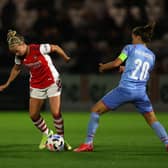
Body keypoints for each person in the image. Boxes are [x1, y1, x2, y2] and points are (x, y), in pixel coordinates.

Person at [74, 22, 168, 152]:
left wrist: (103, 67)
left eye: (133, 37)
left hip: (125, 90)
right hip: (141, 92)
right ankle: (167, 142)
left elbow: (116, 63)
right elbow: (142, 71)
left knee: (96, 110)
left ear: (138, 37)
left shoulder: (129, 48)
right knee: (152, 119)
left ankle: (88, 143)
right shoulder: (152, 55)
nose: (132, 39)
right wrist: (126, 68)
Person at [0, 30, 72, 151]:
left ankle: (61, 139)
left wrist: (65, 57)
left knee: (55, 113)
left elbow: (55, 47)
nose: (17, 53)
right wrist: (7, 83)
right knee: (33, 115)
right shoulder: (19, 56)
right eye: (14, 52)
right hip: (36, 85)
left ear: (23, 44)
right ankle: (47, 133)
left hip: (52, 81)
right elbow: (16, 69)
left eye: (17, 50)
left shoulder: (38, 48)